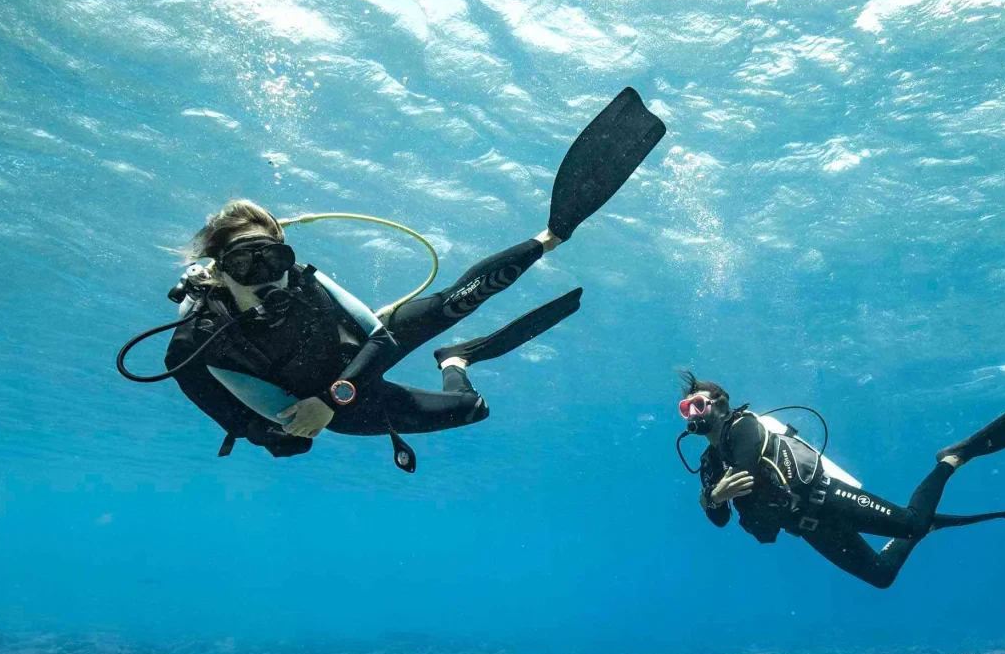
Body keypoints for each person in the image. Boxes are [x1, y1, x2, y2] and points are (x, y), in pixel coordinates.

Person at [150, 88, 666, 465]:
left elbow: (379, 335)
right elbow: (242, 418)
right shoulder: (197, 341)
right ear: (220, 270)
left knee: (449, 304)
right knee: (472, 409)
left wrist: (332, 398)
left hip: (353, 370)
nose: (268, 277)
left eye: (275, 260)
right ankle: (457, 360)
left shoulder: (304, 281)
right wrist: (281, 431)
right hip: (336, 410)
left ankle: (549, 236)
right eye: (246, 264)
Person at [679, 373, 1005, 588]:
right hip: (807, 527)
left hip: (827, 499)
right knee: (881, 577)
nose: (691, 414)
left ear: (722, 404)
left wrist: (713, 495)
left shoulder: (743, 425)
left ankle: (950, 460)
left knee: (911, 523)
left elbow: (744, 467)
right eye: (685, 409)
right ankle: (925, 525)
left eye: (698, 404)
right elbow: (720, 518)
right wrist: (711, 499)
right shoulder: (709, 461)